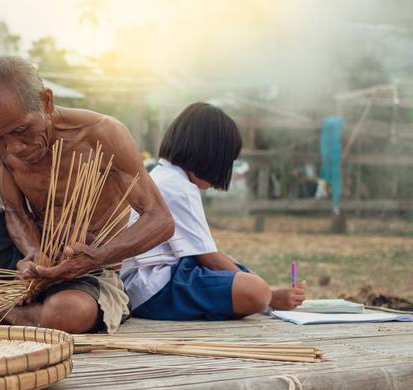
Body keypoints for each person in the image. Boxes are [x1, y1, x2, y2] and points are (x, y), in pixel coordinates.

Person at [0, 56, 174, 333]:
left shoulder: (101, 135)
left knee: (67, 314)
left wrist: (96, 256)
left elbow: (161, 219)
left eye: (21, 130)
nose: (14, 147)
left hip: (88, 272)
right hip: (28, 261)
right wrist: (33, 253)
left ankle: (6, 313)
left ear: (46, 102)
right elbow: (15, 211)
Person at [120, 102, 306, 321]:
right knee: (256, 291)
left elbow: (209, 254)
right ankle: (267, 295)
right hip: (154, 289)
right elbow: (210, 259)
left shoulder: (164, 176)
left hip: (150, 282)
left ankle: (265, 291)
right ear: (208, 156)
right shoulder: (178, 188)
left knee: (240, 270)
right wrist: (271, 296)